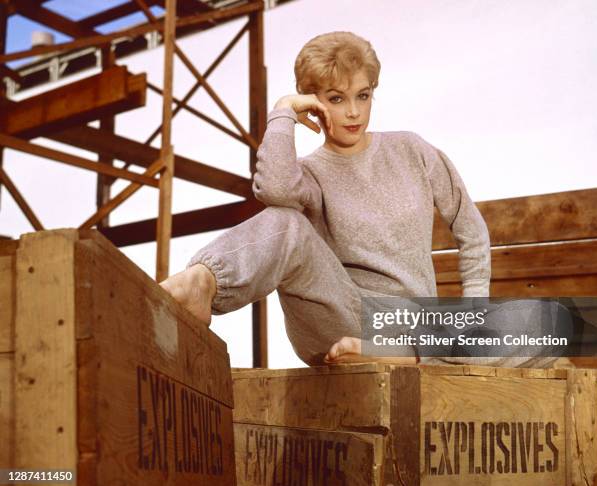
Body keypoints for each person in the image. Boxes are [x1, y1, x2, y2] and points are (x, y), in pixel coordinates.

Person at [160, 31, 504, 366]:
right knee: (286, 222)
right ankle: (203, 282)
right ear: (313, 103)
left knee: (546, 323)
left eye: (363, 96)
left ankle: (408, 355)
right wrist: (283, 112)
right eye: (337, 98)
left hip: (417, 331)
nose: (353, 112)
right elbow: (275, 190)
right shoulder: (309, 174)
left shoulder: (412, 150)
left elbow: (471, 231)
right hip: (343, 321)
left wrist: (474, 315)